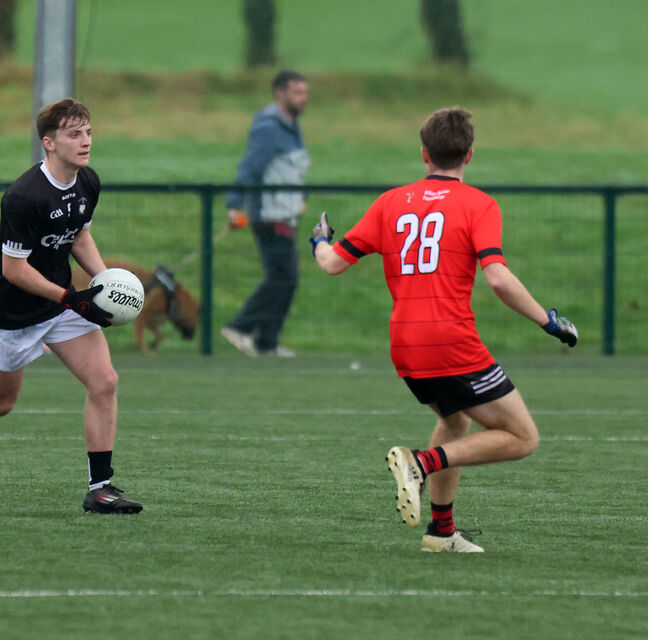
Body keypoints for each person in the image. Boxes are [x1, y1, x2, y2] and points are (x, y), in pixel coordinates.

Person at [310, 107, 577, 552]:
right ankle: (421, 462)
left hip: (405, 346)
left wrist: (319, 239)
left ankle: (441, 532)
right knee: (523, 438)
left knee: (454, 421)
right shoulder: (479, 204)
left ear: (423, 153)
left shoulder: (390, 202)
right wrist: (548, 321)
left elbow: (332, 263)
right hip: (451, 342)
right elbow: (497, 277)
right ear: (469, 155)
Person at [0, 98, 142, 515]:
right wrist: (72, 298)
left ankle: (101, 488)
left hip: (61, 305)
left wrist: (104, 286)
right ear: (48, 143)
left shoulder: (87, 182)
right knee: (0, 403)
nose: (85, 142)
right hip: (11, 313)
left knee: (104, 381)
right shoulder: (24, 197)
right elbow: (14, 270)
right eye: (73, 134)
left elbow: (79, 236)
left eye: (87, 132)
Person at [220, 70, 310, 357]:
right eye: (297, 92)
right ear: (279, 93)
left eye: (305, 92)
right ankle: (240, 327)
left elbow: (291, 170)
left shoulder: (292, 126)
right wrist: (235, 205)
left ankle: (267, 342)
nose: (303, 98)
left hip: (286, 213)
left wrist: (301, 197)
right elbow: (250, 168)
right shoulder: (268, 127)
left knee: (287, 278)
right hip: (269, 215)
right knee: (281, 277)